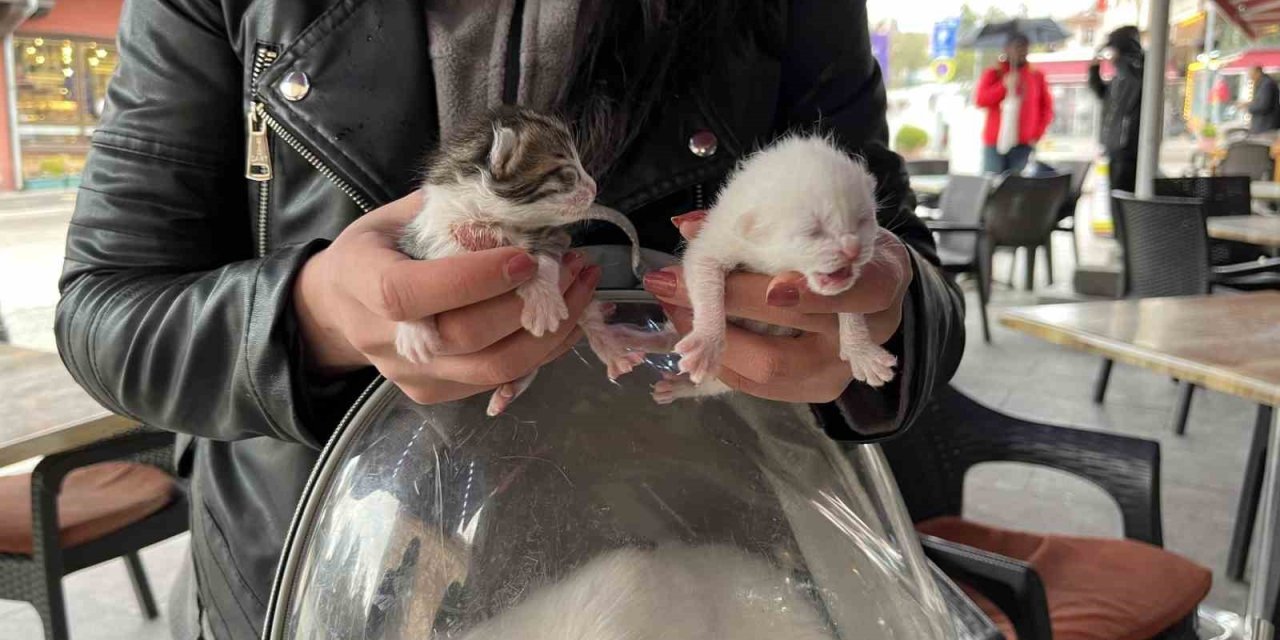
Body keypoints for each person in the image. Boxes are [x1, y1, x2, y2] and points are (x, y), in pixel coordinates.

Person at [53, 1, 965, 638]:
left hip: (696, 573)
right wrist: (314, 319)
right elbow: (106, 311)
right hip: (334, 570)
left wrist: (876, 322)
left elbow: (911, 278)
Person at [975, 33, 1054, 175]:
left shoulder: (1036, 76)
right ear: (1006, 49)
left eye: (1025, 47)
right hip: (995, 144)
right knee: (991, 185)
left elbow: (1046, 108)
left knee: (1016, 187)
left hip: (1023, 144)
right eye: (1017, 47)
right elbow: (981, 100)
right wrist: (1003, 86)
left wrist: (1036, 134)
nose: (1021, 51)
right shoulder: (994, 73)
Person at [1089, 26, 1144, 193]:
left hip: (1125, 149)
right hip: (1118, 147)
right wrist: (1094, 68)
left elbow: (1119, 98)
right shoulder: (1121, 76)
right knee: (1117, 196)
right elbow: (1102, 93)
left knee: (1120, 197)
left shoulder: (1131, 72)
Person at [1247, 66, 1280, 133]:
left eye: (1251, 74)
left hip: (1265, 126)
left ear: (1258, 72)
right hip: (1264, 125)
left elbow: (1263, 106)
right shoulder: (1264, 83)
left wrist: (1248, 106)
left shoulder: (1266, 84)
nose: (1250, 77)